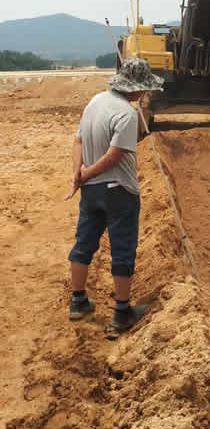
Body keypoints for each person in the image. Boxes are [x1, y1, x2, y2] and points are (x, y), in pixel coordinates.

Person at [65, 58, 163, 331]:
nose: (144, 93)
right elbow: (114, 155)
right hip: (119, 190)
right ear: (136, 88)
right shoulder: (127, 114)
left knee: (83, 243)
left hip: (91, 192)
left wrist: (78, 173)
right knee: (123, 249)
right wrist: (86, 173)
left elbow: (78, 140)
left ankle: (78, 302)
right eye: (144, 88)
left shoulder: (95, 102)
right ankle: (122, 313)